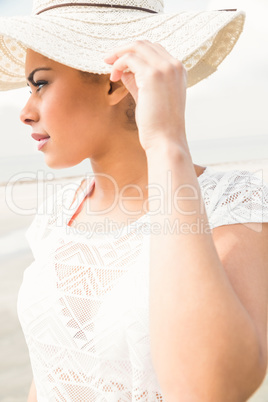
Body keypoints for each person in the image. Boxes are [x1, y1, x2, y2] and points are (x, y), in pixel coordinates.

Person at [1, 1, 268, 401]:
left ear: (114, 82)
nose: (25, 112)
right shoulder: (57, 213)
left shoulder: (234, 206)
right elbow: (49, 375)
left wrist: (166, 143)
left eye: (40, 84)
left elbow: (208, 391)